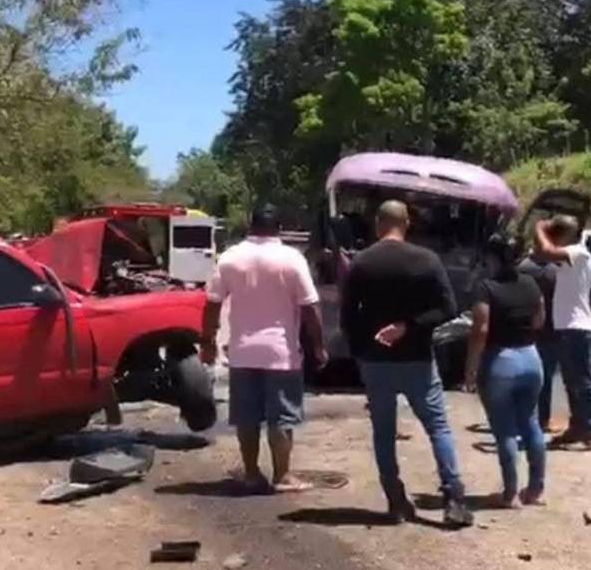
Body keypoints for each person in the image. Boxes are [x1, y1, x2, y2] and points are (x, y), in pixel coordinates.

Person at [341, 200, 473, 527]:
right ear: (407, 223)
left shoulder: (362, 263)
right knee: (438, 426)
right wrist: (409, 326)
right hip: (417, 358)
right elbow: (448, 308)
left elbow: (347, 318)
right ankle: (454, 499)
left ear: (377, 224)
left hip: (375, 361)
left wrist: (362, 351)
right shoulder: (426, 260)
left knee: (383, 432)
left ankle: (396, 501)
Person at [201, 203, 327, 494]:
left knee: (246, 417)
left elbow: (212, 303)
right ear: (279, 228)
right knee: (281, 417)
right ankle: (282, 476)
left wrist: (207, 341)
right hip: (281, 353)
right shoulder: (291, 258)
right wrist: (319, 347)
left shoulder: (231, 258)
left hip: (242, 352)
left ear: (250, 225)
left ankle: (251, 473)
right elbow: (310, 307)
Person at [465, 233, 546, 507]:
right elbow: (539, 319)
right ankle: (535, 489)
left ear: (493, 257)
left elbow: (481, 329)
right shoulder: (531, 283)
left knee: (505, 430)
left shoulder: (485, 287)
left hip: (501, 361)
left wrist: (470, 369)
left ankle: (510, 492)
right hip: (531, 358)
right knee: (531, 424)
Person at [534, 216, 591, 447]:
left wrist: (539, 226)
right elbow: (540, 253)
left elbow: (546, 251)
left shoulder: (578, 253)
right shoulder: (576, 253)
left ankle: (586, 427)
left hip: (575, 326)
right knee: (572, 381)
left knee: (581, 381)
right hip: (570, 326)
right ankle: (579, 426)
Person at [518, 253, 561, 432]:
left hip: (525, 328)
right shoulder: (557, 271)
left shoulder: (523, 267)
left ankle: (523, 416)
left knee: (524, 375)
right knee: (546, 377)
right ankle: (542, 419)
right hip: (552, 328)